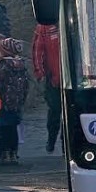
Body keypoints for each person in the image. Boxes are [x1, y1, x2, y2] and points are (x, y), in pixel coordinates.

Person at [0, 38, 29, 165]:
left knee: (3, 130)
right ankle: (13, 153)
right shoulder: (21, 65)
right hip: (16, 103)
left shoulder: (2, 65)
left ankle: (4, 154)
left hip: (3, 102)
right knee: (13, 129)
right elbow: (26, 85)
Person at [32, 23, 62, 153]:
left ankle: (66, 143)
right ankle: (51, 139)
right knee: (55, 111)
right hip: (53, 79)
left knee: (72, 112)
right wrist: (40, 72)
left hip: (75, 77)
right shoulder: (45, 26)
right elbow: (38, 49)